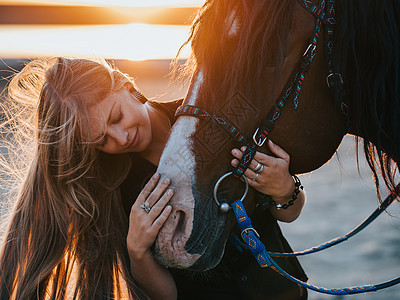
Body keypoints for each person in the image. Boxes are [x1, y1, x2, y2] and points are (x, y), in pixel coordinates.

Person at [0, 57, 306, 299]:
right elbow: (165, 296)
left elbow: (289, 212)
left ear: (127, 86)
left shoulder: (214, 123)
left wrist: (285, 188)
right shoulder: (115, 192)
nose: (120, 138)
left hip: (285, 290)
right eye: (102, 141)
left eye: (116, 117)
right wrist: (137, 251)